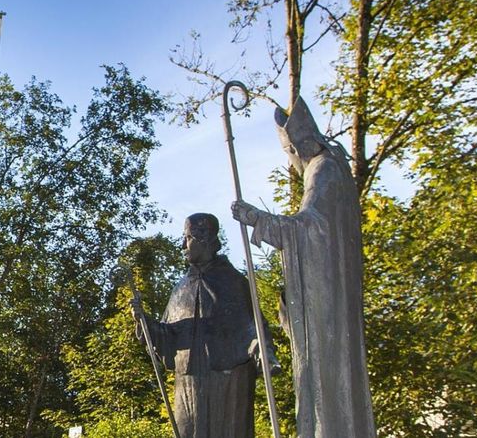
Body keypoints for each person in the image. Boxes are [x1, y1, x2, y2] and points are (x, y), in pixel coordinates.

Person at [231, 97, 376, 437]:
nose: (291, 160)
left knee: (323, 372)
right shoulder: (335, 171)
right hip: (331, 296)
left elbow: (309, 229)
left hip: (327, 306)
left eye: (288, 152)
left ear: (297, 146)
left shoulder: (322, 170)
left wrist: (257, 218)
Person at [132, 213, 276, 438]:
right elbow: (169, 336)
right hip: (189, 381)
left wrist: (262, 349)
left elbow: (254, 327)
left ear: (205, 239)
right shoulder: (180, 288)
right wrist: (145, 323)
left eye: (187, 237)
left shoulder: (234, 282)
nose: (182, 245)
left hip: (227, 380)